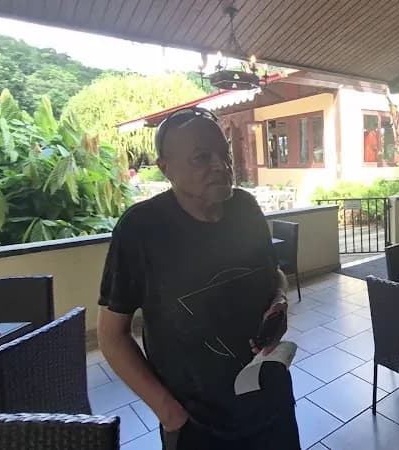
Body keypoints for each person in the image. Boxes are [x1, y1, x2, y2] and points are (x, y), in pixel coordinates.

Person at [97, 107, 300, 450]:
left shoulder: (246, 209)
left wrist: (279, 300)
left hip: (271, 398)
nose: (220, 165)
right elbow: (111, 336)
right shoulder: (142, 230)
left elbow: (273, 274)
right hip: (198, 422)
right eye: (201, 158)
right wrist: (169, 412)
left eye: (224, 154)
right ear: (166, 168)